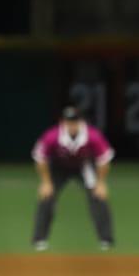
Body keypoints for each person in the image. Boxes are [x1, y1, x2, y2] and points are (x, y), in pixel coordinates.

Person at [32, 105, 116, 251]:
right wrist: (45, 182)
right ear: (62, 122)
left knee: (98, 197)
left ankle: (106, 239)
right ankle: (39, 239)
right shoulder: (52, 135)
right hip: (58, 167)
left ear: (81, 121)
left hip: (83, 166)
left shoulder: (92, 135)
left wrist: (101, 183)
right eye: (68, 121)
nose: (71, 125)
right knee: (46, 197)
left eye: (75, 121)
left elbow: (104, 159)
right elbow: (40, 158)